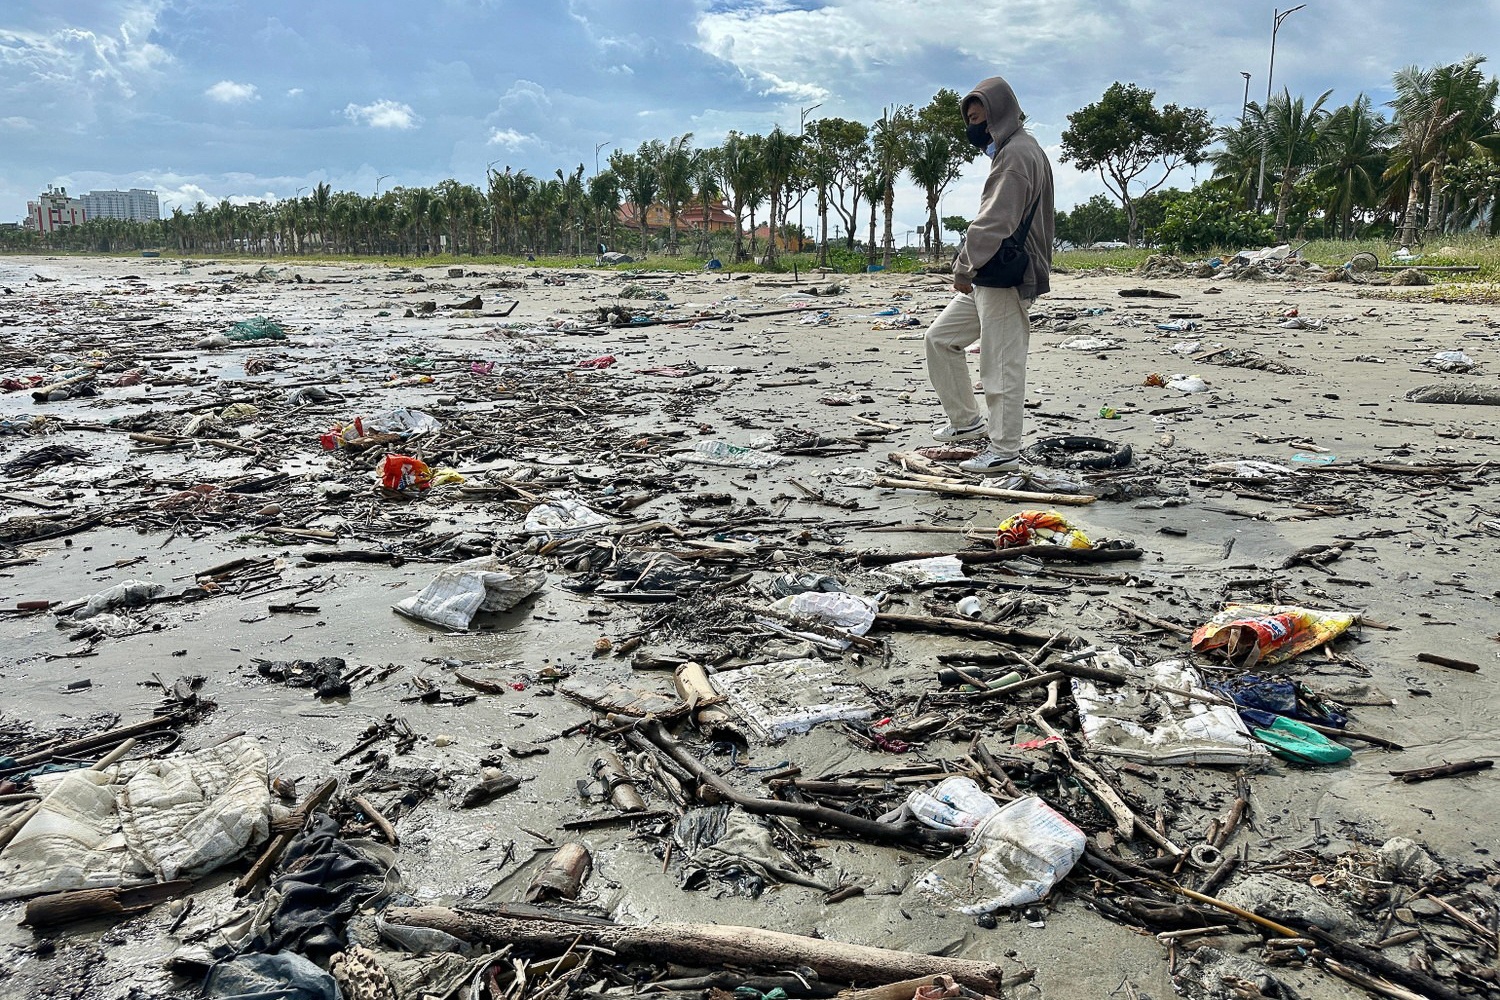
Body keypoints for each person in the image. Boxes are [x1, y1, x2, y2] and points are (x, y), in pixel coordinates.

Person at [923, 75, 1054, 473]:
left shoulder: (1016, 155)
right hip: (992, 273)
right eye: (970, 119)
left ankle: (1003, 451)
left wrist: (964, 264)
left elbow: (994, 221)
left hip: (1005, 273)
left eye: (979, 119)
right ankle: (966, 423)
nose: (973, 128)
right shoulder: (1014, 150)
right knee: (940, 338)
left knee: (1000, 365)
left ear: (998, 115)